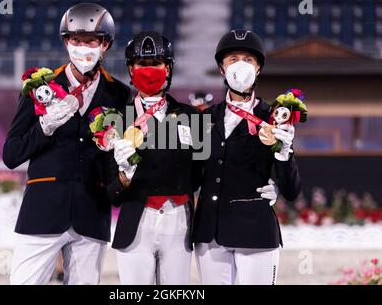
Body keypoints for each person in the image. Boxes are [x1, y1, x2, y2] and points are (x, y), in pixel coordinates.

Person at [3, 3, 131, 285]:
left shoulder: (120, 94)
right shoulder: (40, 87)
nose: (83, 47)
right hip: (42, 211)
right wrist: (45, 126)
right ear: (66, 42)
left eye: (91, 41)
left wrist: (123, 176)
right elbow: (11, 154)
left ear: (105, 45)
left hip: (91, 213)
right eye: (76, 40)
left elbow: (113, 158)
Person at [192, 29, 301, 285]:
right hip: (210, 233)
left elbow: (292, 190)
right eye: (232, 59)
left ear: (259, 67)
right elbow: (192, 178)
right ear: (221, 68)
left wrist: (284, 155)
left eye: (248, 60)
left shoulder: (274, 117)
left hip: (255, 230)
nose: (240, 65)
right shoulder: (204, 119)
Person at [106, 31, 201, 285]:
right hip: (136, 219)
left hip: (179, 222)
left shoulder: (192, 117)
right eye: (142, 64)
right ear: (130, 68)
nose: (149, 70)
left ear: (168, 68)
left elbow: (202, 175)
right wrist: (123, 177)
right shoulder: (114, 119)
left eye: (156, 64)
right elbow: (109, 190)